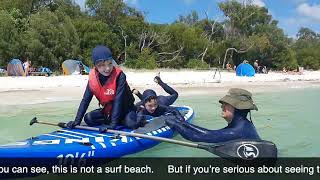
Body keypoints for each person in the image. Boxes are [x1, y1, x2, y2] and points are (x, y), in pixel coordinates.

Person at [66, 45, 138, 130]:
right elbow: (85, 101)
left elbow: (118, 101)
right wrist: (76, 122)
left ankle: (138, 114)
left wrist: (112, 125)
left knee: (131, 124)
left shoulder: (120, 76)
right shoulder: (93, 79)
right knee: (88, 118)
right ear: (96, 66)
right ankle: (115, 120)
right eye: (102, 65)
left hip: (126, 111)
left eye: (110, 63)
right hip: (109, 112)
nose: (107, 68)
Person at [165, 88, 260, 143]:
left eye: (226, 104)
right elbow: (210, 133)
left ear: (238, 108)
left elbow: (198, 137)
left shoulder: (237, 132)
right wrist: (182, 123)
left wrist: (175, 124)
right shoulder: (243, 125)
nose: (222, 106)